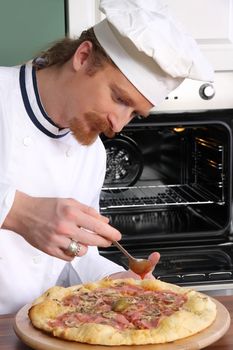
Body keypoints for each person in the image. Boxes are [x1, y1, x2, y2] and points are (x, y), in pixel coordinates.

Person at [0, 0, 213, 314]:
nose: (117, 124)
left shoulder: (92, 155)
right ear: (83, 57)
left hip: (27, 330)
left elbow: (74, 253)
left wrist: (114, 281)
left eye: (134, 114)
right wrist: (16, 211)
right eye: (118, 98)